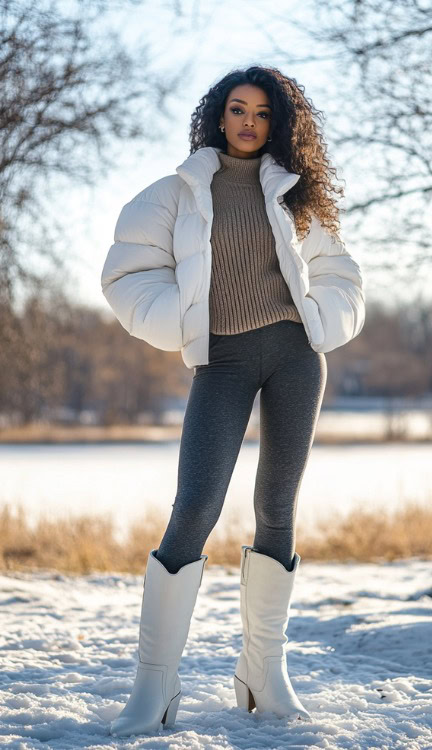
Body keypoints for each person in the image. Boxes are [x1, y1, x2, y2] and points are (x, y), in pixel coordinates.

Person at [101, 64, 365, 738]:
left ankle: (263, 672)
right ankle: (153, 686)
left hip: (295, 359)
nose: (248, 122)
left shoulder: (296, 194)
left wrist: (320, 322)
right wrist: (182, 320)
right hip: (220, 361)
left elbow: (340, 274)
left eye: (262, 113)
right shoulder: (178, 191)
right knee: (195, 507)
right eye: (237, 110)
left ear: (278, 123)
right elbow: (129, 271)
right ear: (218, 117)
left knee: (277, 508)